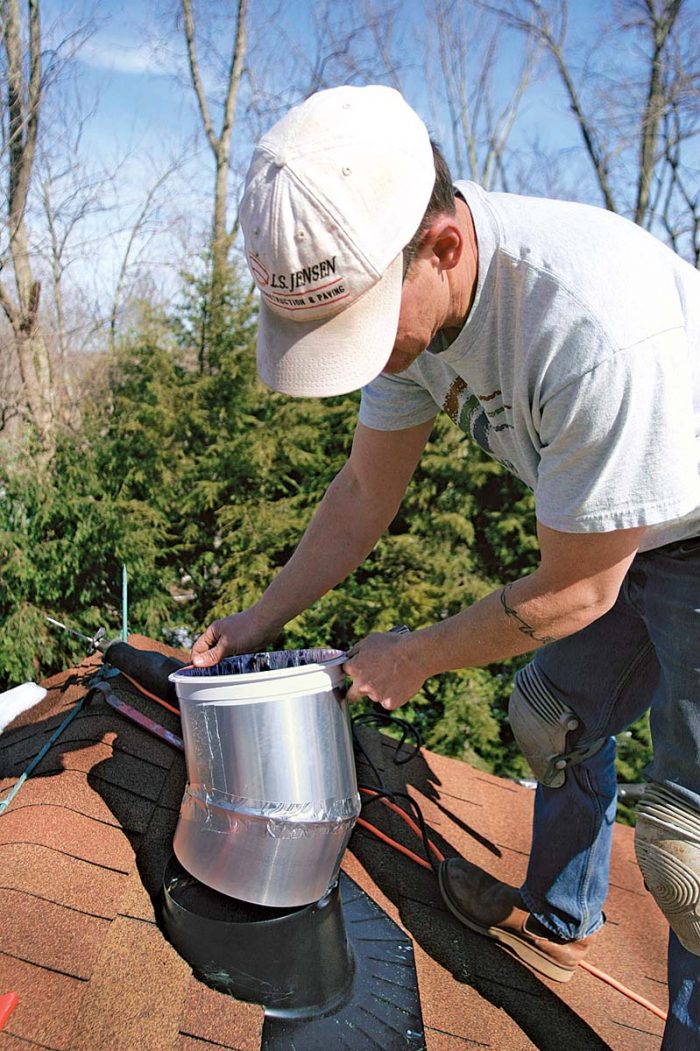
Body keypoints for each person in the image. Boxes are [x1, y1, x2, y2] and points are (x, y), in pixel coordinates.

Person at [190, 85, 700, 1047]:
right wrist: (259, 619)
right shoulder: (411, 316)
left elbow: (582, 588)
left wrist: (415, 652)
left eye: (363, 326)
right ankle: (561, 919)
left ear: (444, 247)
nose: (364, 357)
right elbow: (360, 497)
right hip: (621, 523)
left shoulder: (589, 329)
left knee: (688, 862)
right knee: (548, 718)